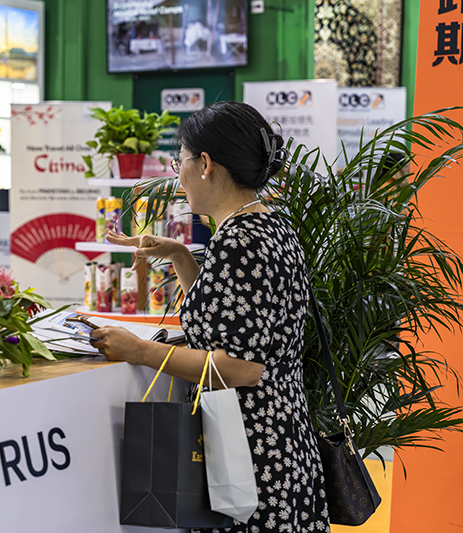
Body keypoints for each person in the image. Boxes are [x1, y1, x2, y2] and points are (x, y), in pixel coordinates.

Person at [92, 101, 330, 532]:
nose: (177, 176)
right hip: (282, 435)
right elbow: (227, 321)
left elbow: (240, 367)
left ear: (205, 164)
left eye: (179, 162)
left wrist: (141, 352)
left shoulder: (237, 242)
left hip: (247, 451)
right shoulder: (270, 225)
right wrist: (181, 255)